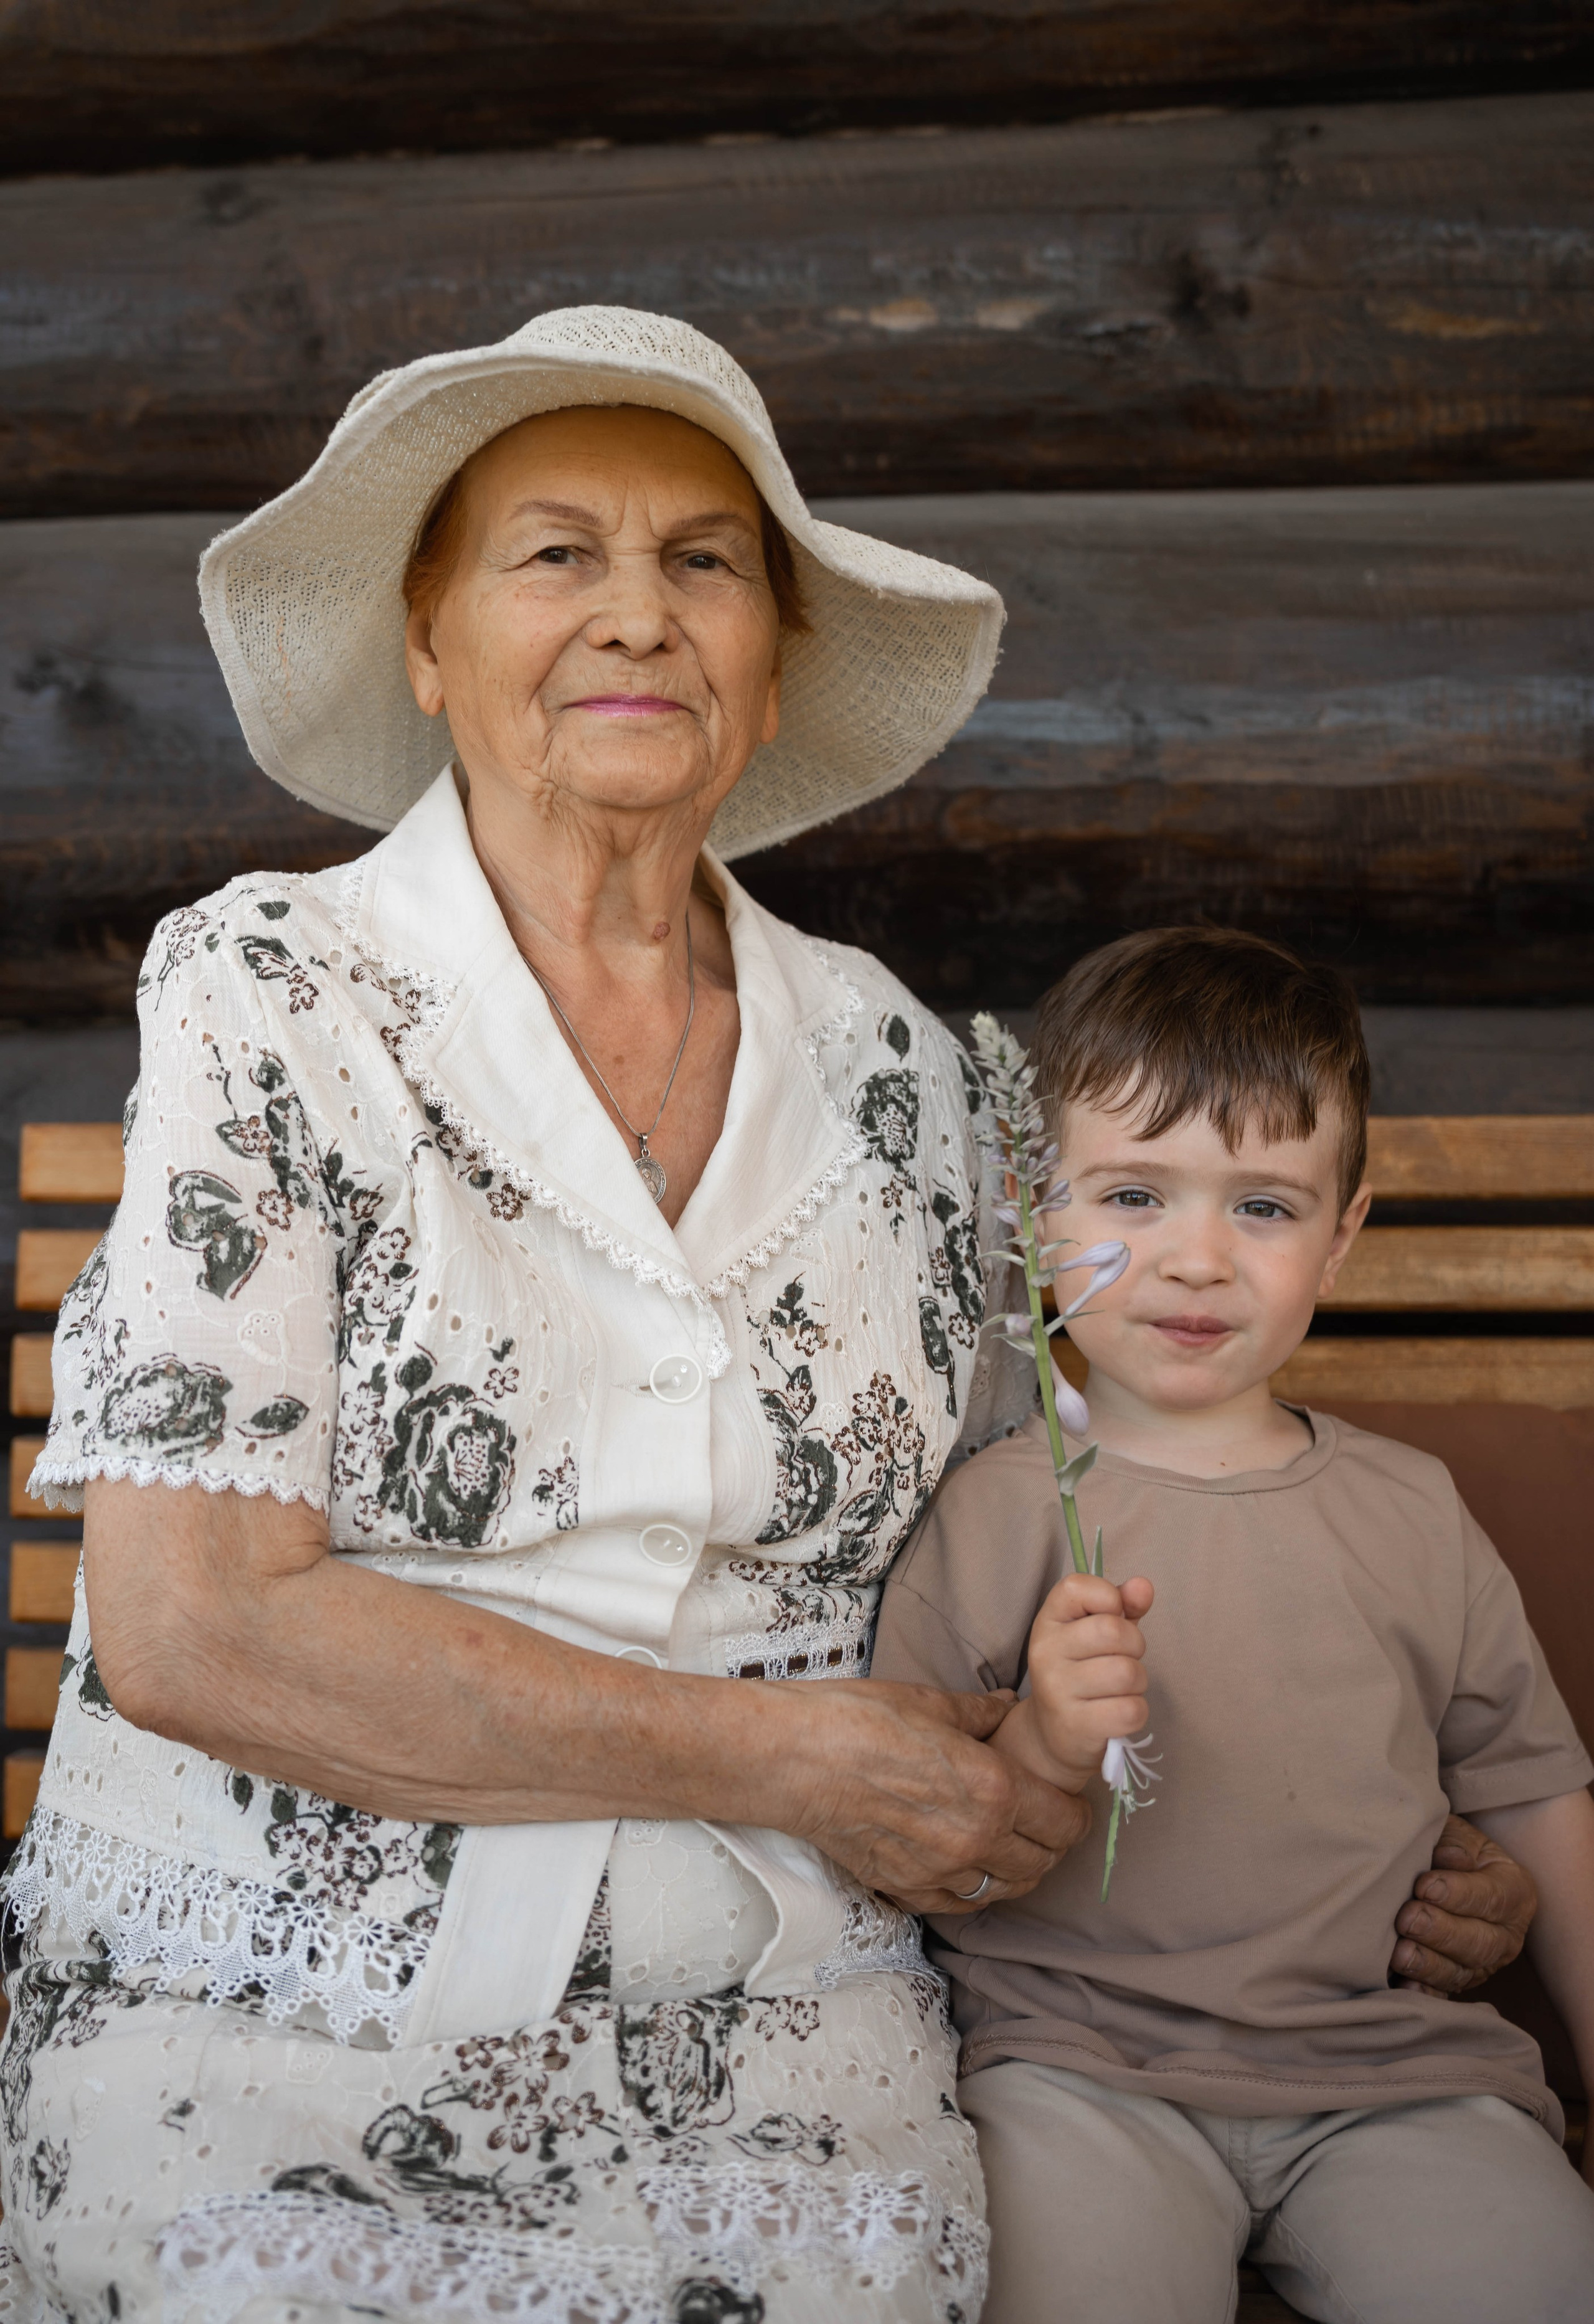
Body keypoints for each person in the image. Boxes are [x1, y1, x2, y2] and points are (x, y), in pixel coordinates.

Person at [0, 311, 1533, 2324]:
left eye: (704, 560)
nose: (638, 611)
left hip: (781, 2017)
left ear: (773, 662)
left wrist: (1383, 1827)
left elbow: (1059, 1540)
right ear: (427, 640)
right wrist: (782, 1757)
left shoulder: (906, 1072)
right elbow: (196, 1625)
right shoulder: (276, 989)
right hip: (283, 1995)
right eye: (557, 552)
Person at [871, 924, 1594, 2323]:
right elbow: (904, 1838)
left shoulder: (1413, 1509)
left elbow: (1533, 1792)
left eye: (1262, 1206)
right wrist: (1039, 1739)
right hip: (1071, 2071)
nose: (1196, 1259)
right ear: (1030, 1209)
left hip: (1397, 2079)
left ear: (1342, 1235)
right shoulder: (995, 1510)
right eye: (1133, 1195)